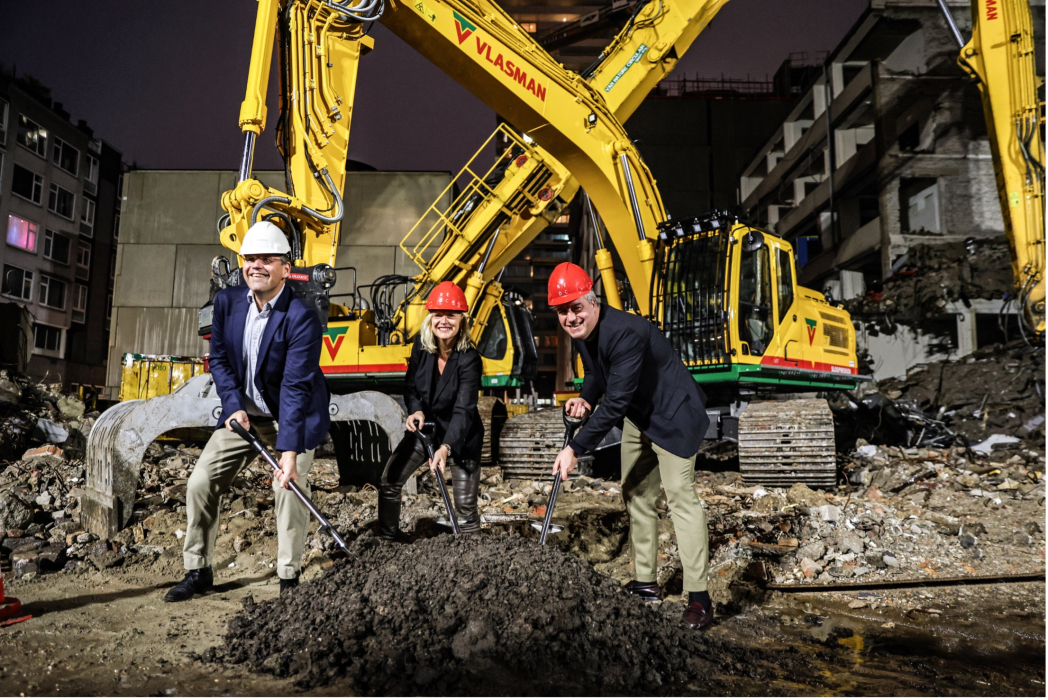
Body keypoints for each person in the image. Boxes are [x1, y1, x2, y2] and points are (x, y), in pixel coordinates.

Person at [165, 220, 330, 602]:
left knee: (288, 486)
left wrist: (288, 454)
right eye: (250, 258)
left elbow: (294, 387)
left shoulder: (301, 316)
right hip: (245, 417)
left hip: (293, 416)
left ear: (286, 269)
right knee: (200, 483)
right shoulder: (228, 303)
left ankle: (288, 578)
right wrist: (234, 406)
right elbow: (219, 360)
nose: (256, 265)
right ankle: (198, 570)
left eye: (267, 259)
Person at [548, 262, 715, 629]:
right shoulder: (585, 331)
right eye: (562, 311)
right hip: (641, 416)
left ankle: (700, 598)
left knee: (680, 497)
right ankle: (646, 583)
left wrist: (575, 447)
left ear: (592, 301)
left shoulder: (626, 332)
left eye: (576, 307)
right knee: (636, 492)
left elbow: (617, 402)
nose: (570, 318)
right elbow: (596, 374)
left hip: (673, 416)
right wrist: (585, 398)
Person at [377, 281, 484, 538]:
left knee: (464, 510)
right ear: (431, 318)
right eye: (438, 315)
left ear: (462, 320)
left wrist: (446, 448)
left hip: (461, 435)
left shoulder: (469, 359)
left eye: (451, 315)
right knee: (390, 482)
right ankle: (388, 539)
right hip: (426, 429)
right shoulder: (421, 348)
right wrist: (416, 411)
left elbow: (464, 409)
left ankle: (474, 556)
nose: (444, 321)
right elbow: (411, 387)